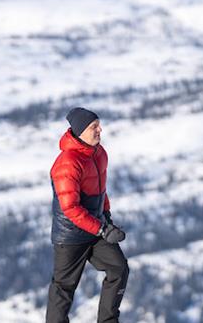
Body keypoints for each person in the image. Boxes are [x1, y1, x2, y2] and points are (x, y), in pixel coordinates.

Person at [46, 107, 129, 323]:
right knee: (63, 289)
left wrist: (107, 217)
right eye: (94, 126)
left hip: (94, 228)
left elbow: (100, 191)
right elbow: (70, 208)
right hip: (71, 236)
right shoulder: (68, 163)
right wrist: (102, 228)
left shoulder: (99, 154)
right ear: (81, 131)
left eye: (99, 124)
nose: (100, 130)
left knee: (118, 268)